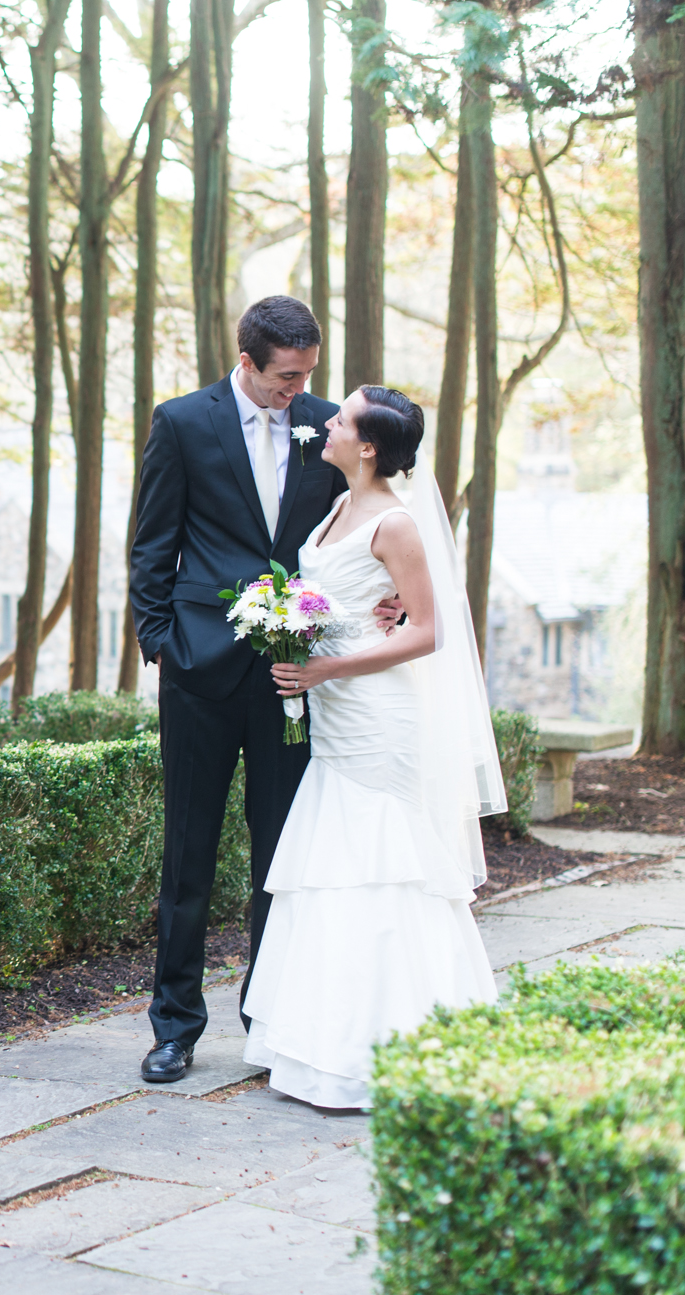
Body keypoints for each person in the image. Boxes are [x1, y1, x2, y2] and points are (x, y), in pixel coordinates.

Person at [240, 386, 500, 1108]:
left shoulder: (397, 522)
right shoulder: (336, 506)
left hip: (379, 719)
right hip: (334, 715)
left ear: (370, 446)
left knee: (383, 866)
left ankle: (403, 1045)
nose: (326, 422)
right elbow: (354, 600)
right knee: (333, 867)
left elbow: (428, 630)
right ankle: (326, 1041)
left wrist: (323, 664)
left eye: (342, 419)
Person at [128, 296, 357, 1084]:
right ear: (249, 358)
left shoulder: (326, 425)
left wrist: (377, 599)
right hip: (198, 668)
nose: (299, 391)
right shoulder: (184, 422)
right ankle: (174, 1026)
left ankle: (268, 1017)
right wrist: (159, 640)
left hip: (294, 672)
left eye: (307, 376)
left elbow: (352, 529)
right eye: (286, 376)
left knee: (280, 853)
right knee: (188, 852)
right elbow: (153, 540)